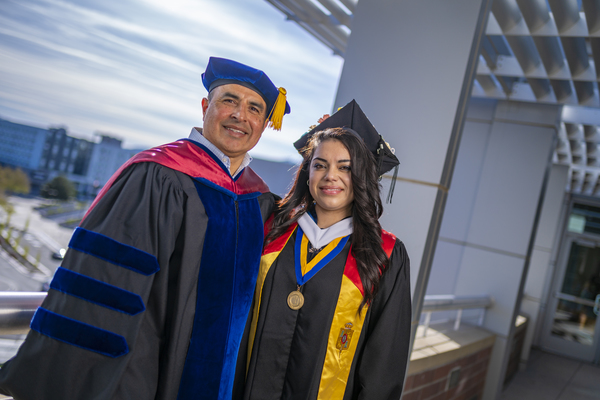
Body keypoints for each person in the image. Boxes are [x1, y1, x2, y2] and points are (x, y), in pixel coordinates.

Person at [0, 57, 290, 400]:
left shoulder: (258, 201)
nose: (241, 115)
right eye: (229, 100)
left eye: (255, 108)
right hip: (145, 380)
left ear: (262, 123)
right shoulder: (156, 177)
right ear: (204, 107)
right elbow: (106, 289)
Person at [241, 100, 411, 400]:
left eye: (345, 168)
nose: (330, 176)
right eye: (320, 165)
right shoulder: (272, 228)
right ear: (308, 173)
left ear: (362, 178)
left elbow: (383, 366)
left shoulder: (384, 256)